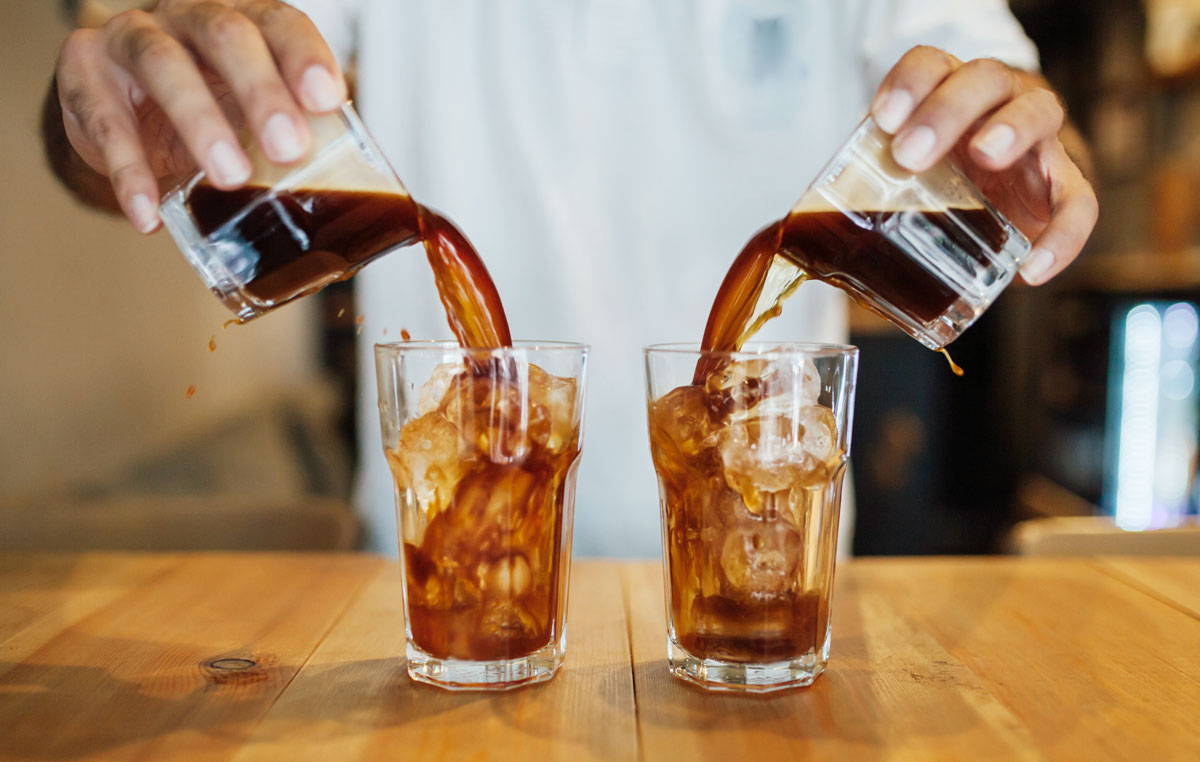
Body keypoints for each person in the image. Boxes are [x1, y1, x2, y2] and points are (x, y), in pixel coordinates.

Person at [42, 1, 1097, 557]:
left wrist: (1032, 148)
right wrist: (106, 119)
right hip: (421, 596)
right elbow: (128, 115)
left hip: (768, 587)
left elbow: (1019, 109)